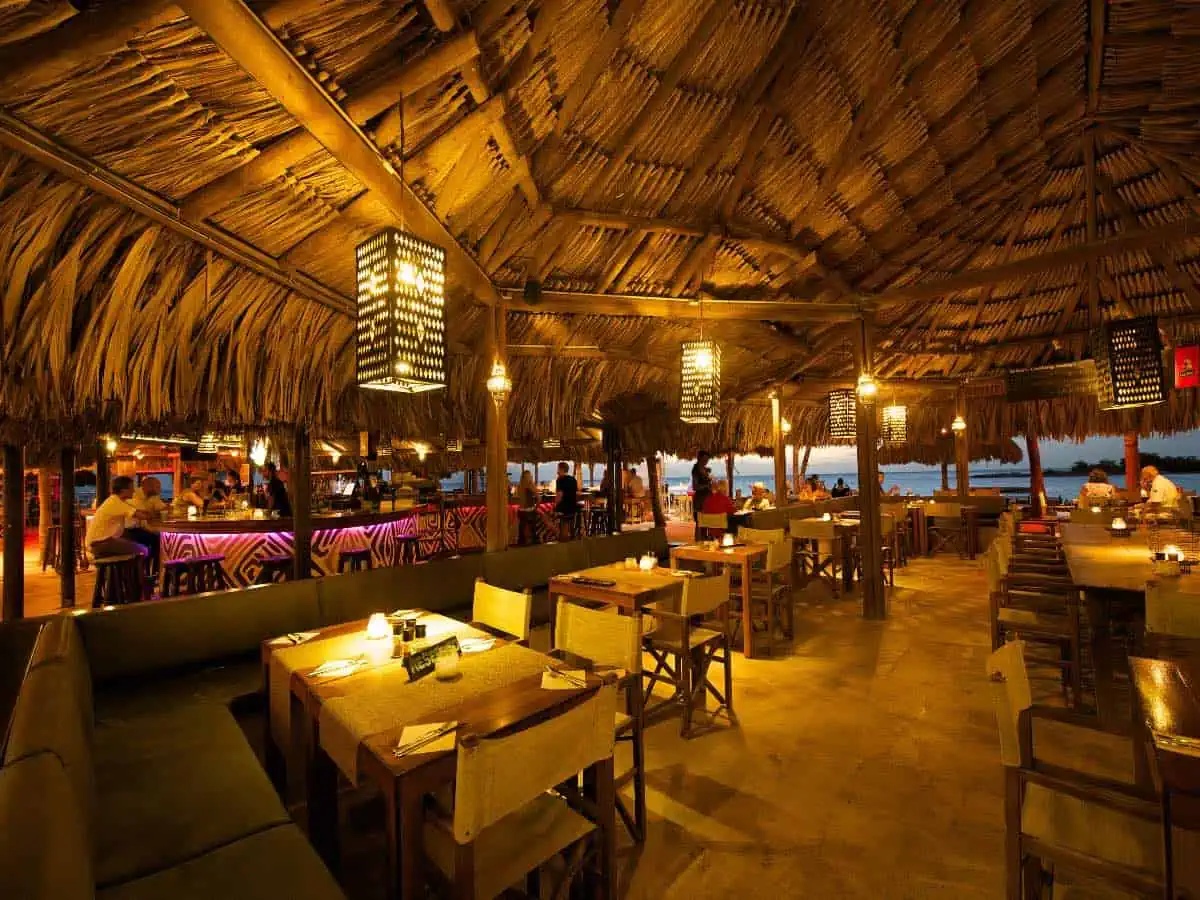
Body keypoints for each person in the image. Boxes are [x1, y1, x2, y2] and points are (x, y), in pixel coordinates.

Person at [86, 476, 152, 561]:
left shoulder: (115, 500)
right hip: (100, 545)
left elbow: (138, 511)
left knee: (136, 545)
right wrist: (154, 514)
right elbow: (143, 516)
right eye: (131, 488)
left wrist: (146, 512)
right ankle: (132, 574)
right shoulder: (115, 502)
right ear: (123, 490)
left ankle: (126, 573)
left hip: (101, 543)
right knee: (144, 550)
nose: (134, 491)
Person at [554, 461, 579, 540]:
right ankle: (569, 535)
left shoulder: (560, 480)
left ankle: (560, 536)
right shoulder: (573, 479)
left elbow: (559, 496)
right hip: (573, 509)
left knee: (548, 513)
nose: (557, 471)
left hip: (564, 509)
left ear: (561, 469)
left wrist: (554, 505)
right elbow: (576, 493)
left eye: (558, 469)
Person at [516, 470, 538, 545]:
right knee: (532, 528)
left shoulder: (519, 486)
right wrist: (536, 507)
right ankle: (533, 541)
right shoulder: (530, 485)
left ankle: (521, 542)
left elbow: (518, 497)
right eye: (530, 475)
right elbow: (539, 498)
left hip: (520, 511)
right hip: (529, 511)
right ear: (529, 477)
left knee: (522, 528)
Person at [691, 451, 713, 527]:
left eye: (707, 460)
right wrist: (706, 486)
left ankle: (705, 538)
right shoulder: (696, 470)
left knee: (706, 523)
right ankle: (699, 539)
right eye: (704, 459)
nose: (706, 461)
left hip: (707, 500)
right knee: (700, 524)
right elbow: (695, 487)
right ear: (699, 458)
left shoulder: (704, 469)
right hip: (700, 501)